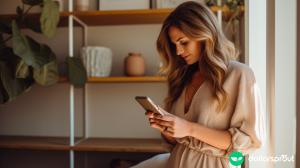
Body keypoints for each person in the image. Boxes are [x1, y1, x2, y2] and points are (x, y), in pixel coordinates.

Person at [132, 1, 264, 168]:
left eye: (184, 42)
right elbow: (178, 143)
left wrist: (189, 128)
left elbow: (247, 142)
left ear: (204, 34)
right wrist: (167, 129)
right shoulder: (182, 77)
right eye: (174, 45)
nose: (178, 51)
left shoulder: (239, 74)